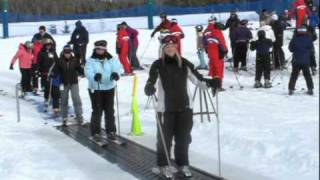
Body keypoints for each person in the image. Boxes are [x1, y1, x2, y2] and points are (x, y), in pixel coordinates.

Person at [144, 35, 220, 178]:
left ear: (176, 47)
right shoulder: (158, 64)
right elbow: (152, 81)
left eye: (173, 46)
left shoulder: (184, 63)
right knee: (164, 139)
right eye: (167, 47)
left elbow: (198, 80)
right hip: (165, 109)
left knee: (183, 138)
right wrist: (149, 87)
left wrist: (211, 82)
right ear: (163, 49)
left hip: (185, 108)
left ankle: (182, 164)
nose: (170, 48)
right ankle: (163, 165)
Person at [85, 40, 123, 141]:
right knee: (97, 110)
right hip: (96, 88)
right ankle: (96, 132)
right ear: (95, 49)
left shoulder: (111, 59)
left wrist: (116, 73)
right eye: (98, 49)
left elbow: (119, 68)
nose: (100, 51)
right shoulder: (90, 60)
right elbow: (88, 72)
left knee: (109, 110)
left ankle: (111, 131)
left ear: (105, 49)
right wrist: (94, 76)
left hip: (109, 87)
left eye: (102, 49)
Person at [55, 45, 84, 125]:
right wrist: (54, 74)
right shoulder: (59, 60)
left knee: (76, 98)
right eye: (65, 52)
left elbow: (78, 68)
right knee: (64, 99)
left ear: (71, 52)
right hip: (63, 83)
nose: (67, 54)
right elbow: (56, 70)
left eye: (68, 52)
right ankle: (64, 117)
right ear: (63, 52)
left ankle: (79, 116)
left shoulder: (75, 60)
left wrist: (82, 71)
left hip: (73, 82)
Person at [204, 15, 228, 90]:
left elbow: (204, 41)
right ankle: (218, 86)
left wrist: (207, 50)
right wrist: (225, 50)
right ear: (214, 21)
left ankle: (213, 84)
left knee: (213, 68)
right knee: (219, 68)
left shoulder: (206, 30)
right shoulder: (216, 30)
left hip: (210, 52)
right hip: (218, 51)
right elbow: (221, 41)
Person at [288, 26, 314, 95]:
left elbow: (290, 49)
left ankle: (291, 89)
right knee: (307, 75)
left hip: (296, 60)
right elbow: (311, 48)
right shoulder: (309, 39)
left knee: (294, 75)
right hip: (306, 60)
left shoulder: (294, 39)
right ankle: (310, 89)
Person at [38, 38, 60, 112]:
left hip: (54, 73)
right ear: (44, 45)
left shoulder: (53, 52)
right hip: (45, 73)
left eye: (50, 45)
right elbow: (39, 63)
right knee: (47, 88)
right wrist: (38, 71)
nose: (48, 46)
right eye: (47, 45)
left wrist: (58, 70)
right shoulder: (41, 53)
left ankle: (55, 102)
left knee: (55, 88)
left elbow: (57, 61)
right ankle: (46, 99)